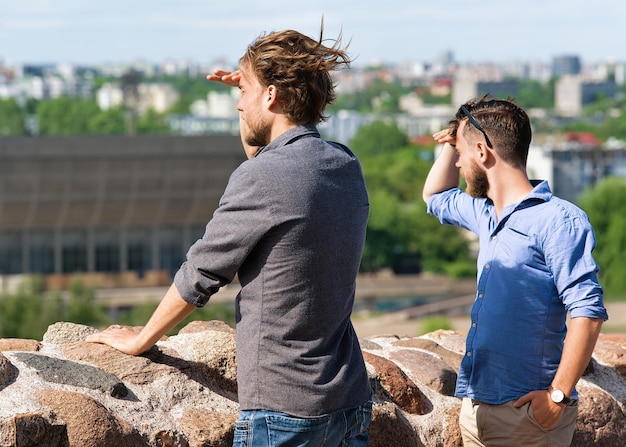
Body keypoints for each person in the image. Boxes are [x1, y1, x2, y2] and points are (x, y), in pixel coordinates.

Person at [87, 27, 372, 446]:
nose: (239, 103)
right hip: (348, 403)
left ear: (271, 96)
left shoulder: (263, 179)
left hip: (285, 410)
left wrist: (142, 339)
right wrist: (251, 98)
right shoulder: (344, 164)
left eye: (245, 93)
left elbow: (201, 273)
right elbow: (272, 159)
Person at [422, 95, 608, 447]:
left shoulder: (559, 220)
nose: (458, 163)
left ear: (482, 153)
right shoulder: (485, 212)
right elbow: (435, 196)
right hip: (475, 409)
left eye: (461, 153)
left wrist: (557, 398)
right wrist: (451, 140)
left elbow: (588, 312)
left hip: (528, 418)